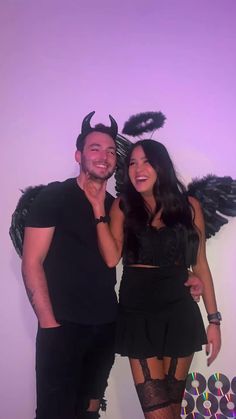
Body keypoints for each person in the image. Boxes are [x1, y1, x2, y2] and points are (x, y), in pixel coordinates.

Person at [84, 139, 221, 419]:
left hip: (179, 313)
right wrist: (99, 209)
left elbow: (201, 265)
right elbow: (111, 259)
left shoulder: (189, 206)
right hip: (137, 314)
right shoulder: (122, 206)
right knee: (158, 415)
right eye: (132, 163)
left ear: (161, 166)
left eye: (146, 161)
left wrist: (214, 320)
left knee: (171, 410)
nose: (138, 169)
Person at [21, 111, 118, 419]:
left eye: (111, 151)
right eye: (95, 148)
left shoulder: (115, 206)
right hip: (62, 327)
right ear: (78, 155)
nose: (104, 156)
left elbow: (115, 259)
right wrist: (50, 324)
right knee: (54, 413)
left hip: (104, 328)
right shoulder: (54, 196)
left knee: (89, 412)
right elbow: (31, 262)